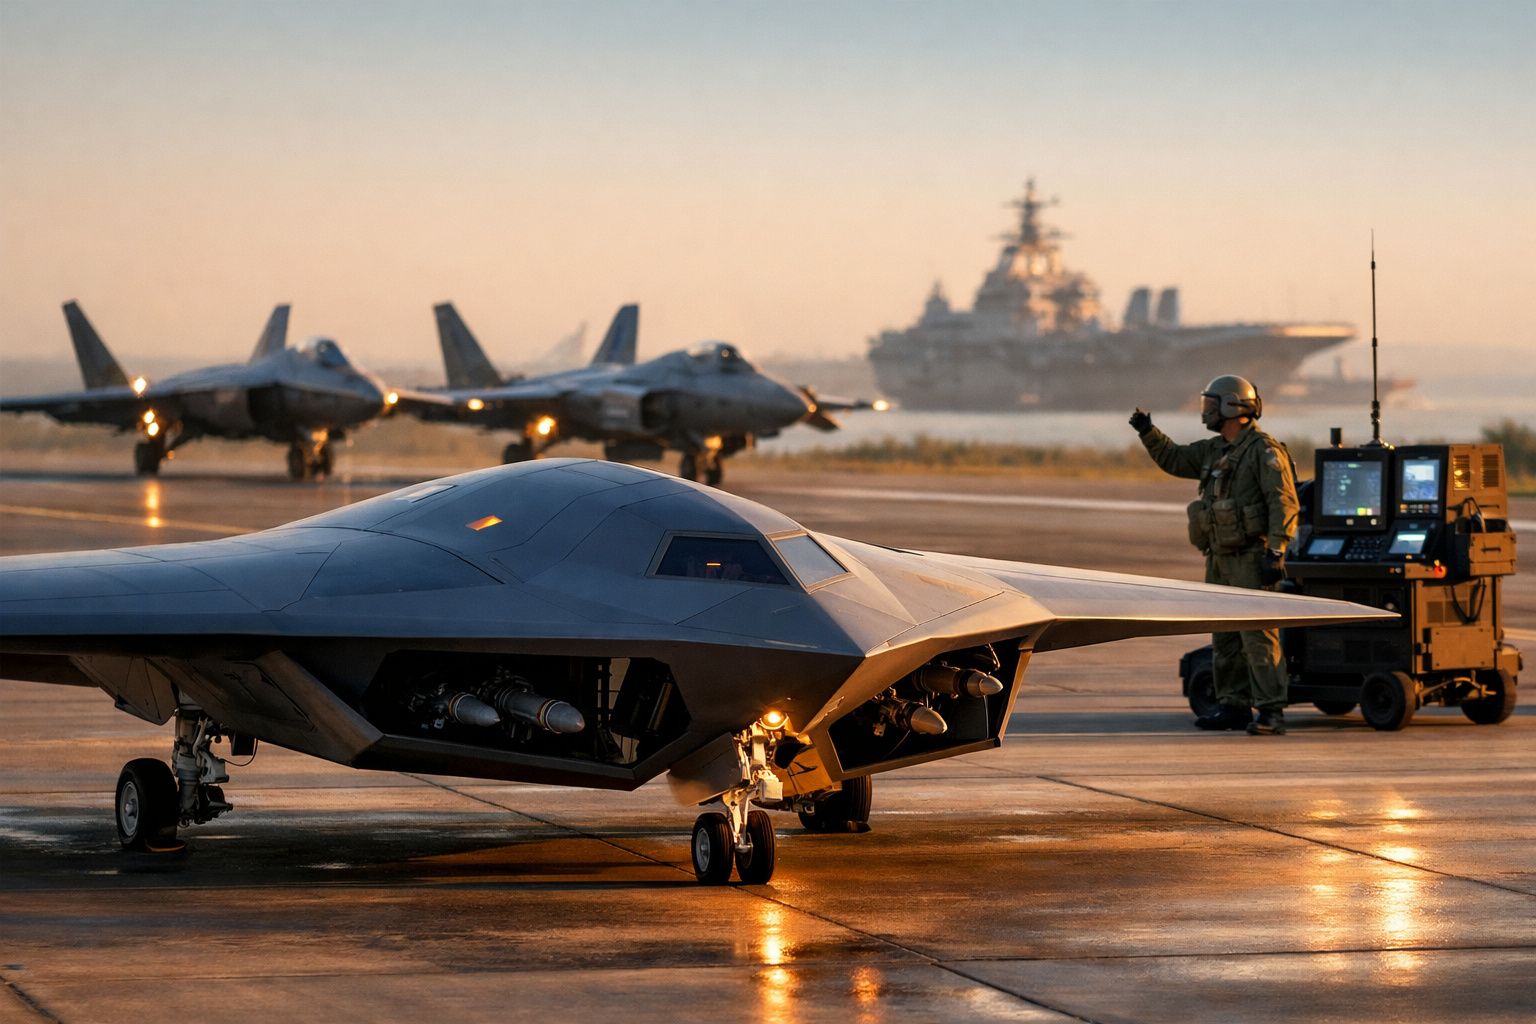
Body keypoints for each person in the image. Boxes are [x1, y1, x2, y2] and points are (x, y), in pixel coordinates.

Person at [1130, 375, 1299, 735]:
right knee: (1223, 636)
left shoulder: (1263, 451)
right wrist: (1148, 432)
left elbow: (1282, 502)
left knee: (1258, 636)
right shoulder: (1214, 450)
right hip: (1219, 558)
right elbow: (1175, 460)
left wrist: (1276, 550)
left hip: (1252, 558)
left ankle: (1271, 712)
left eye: (1211, 404)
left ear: (1232, 407)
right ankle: (1233, 706)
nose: (1205, 411)